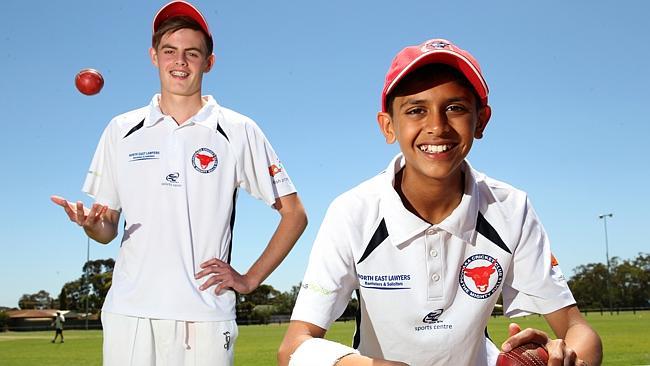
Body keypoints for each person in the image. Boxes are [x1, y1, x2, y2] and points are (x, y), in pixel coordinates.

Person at [278, 39, 602, 366]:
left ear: (481, 120)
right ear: (388, 126)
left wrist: (566, 357)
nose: (437, 126)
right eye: (416, 110)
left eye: (456, 108)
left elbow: (578, 331)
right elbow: (293, 348)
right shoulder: (353, 212)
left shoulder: (511, 209)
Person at [51, 1, 307, 365]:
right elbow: (108, 229)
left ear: (209, 62)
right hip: (130, 312)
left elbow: (294, 214)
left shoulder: (237, 130)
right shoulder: (121, 130)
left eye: (192, 53)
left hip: (205, 313)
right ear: (154, 57)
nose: (180, 62)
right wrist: (93, 226)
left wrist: (249, 280)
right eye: (170, 51)